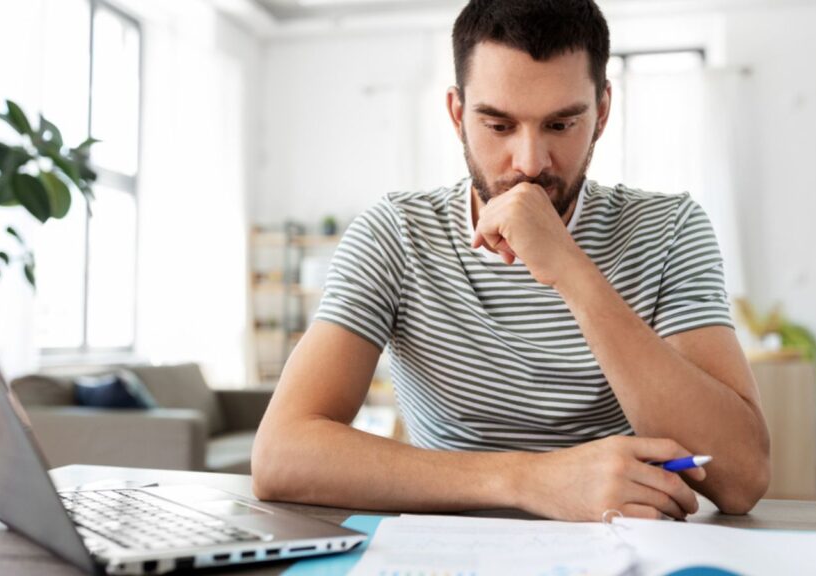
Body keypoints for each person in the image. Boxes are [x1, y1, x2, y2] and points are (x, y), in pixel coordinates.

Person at [252, 0, 770, 521]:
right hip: (447, 551)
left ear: (603, 112)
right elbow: (281, 455)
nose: (529, 163)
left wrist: (569, 267)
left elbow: (742, 477)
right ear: (457, 114)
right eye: (499, 126)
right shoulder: (398, 233)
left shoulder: (670, 230)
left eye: (561, 124)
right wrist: (531, 480)